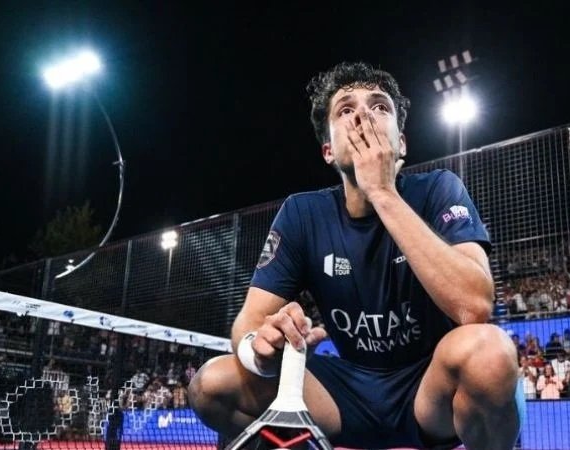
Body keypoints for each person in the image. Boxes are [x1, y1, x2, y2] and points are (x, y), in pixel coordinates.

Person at [188, 61, 521, 450]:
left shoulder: (439, 189)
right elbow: (247, 322)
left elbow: (474, 307)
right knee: (212, 384)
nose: (363, 115)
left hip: (426, 390)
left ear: (401, 143)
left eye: (379, 106)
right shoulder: (302, 213)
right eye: (346, 110)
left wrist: (382, 192)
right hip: (343, 394)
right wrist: (259, 349)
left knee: (490, 354)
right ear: (328, 150)